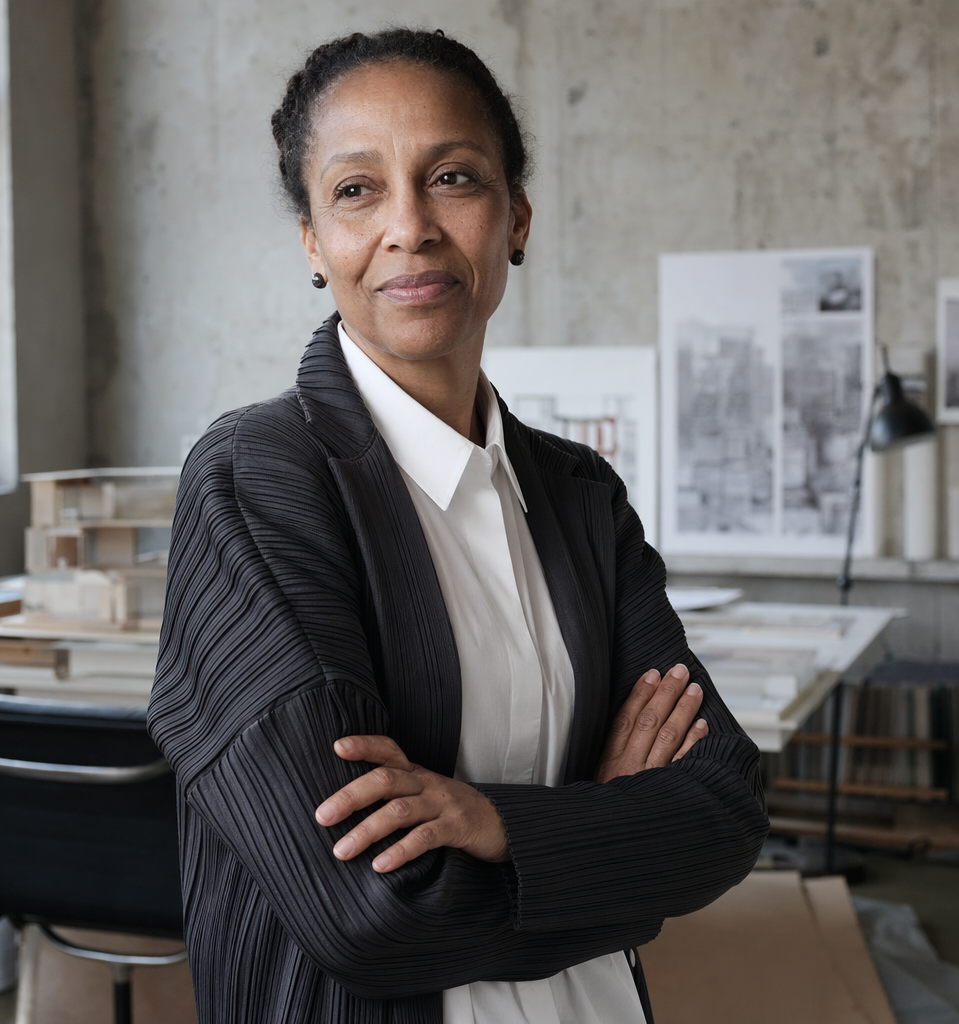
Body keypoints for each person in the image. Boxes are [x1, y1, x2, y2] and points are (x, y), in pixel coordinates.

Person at [147, 28, 768, 1024]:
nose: (409, 227)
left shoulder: (577, 494)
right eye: (356, 189)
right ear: (312, 239)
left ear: (514, 217)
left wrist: (492, 820)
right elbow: (365, 910)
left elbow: (725, 809)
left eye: (452, 177)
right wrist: (605, 841)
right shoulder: (258, 482)